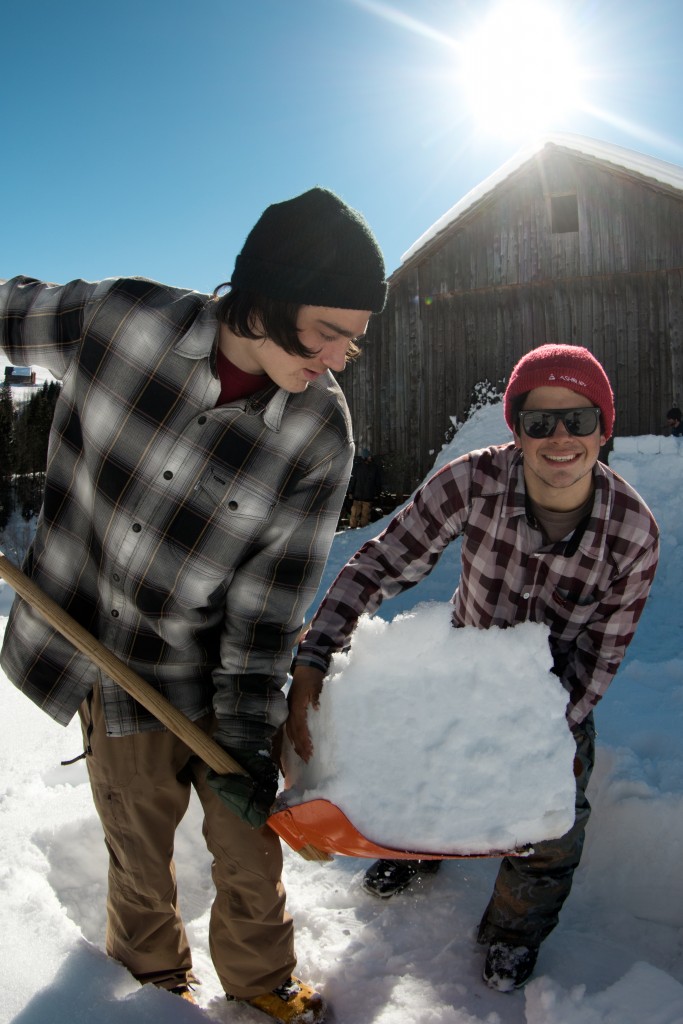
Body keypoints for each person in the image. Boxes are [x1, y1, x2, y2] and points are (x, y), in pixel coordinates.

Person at [0, 187, 387, 1024]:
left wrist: (246, 738)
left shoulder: (318, 432)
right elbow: (8, 311)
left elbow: (270, 608)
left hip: (214, 667)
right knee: (135, 843)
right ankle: (149, 991)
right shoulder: (121, 320)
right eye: (329, 330)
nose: (340, 356)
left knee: (249, 850)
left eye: (355, 339)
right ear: (267, 296)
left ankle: (260, 988)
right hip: (99, 646)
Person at [288, 344, 659, 994]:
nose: (559, 438)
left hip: (553, 699)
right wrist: (316, 654)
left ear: (604, 427)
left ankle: (513, 932)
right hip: (463, 674)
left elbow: (598, 660)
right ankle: (419, 846)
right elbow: (382, 561)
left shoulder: (632, 534)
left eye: (577, 418)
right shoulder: (473, 480)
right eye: (538, 422)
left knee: (551, 825)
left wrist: (532, 743)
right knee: (430, 762)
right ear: (515, 428)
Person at [348, 447, 382, 528]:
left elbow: (377, 481)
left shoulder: (374, 468)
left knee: (365, 515)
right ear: (365, 457)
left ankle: (363, 532)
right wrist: (350, 491)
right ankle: (352, 529)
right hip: (357, 496)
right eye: (369, 456)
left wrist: (377, 493)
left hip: (368, 496)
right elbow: (353, 480)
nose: (371, 457)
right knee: (354, 514)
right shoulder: (357, 467)